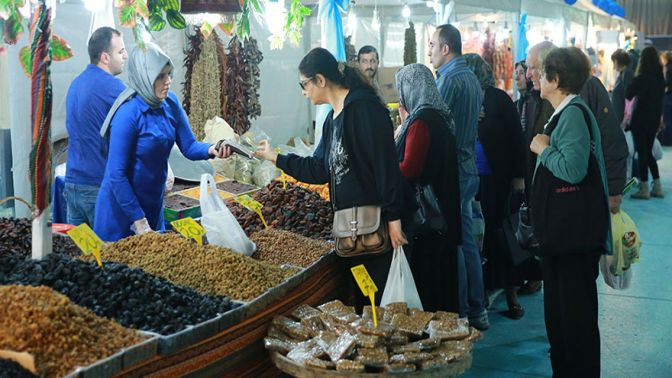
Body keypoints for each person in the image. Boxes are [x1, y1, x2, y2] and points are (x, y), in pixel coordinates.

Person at [255, 47, 411, 308]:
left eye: (304, 84)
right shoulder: (332, 119)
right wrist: (277, 158)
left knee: (385, 302)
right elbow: (318, 169)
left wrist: (394, 218)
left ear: (320, 80)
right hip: (351, 231)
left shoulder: (364, 110)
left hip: (377, 226)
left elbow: (385, 166)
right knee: (366, 300)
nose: (303, 92)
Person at [93, 42, 228, 242]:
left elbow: (189, 146)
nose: (168, 81)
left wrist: (212, 148)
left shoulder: (170, 103)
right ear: (144, 77)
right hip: (121, 211)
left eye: (169, 74)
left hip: (153, 204)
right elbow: (116, 175)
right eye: (160, 76)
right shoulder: (128, 115)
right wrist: (138, 220)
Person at [529, 47, 611, 377]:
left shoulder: (573, 114)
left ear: (556, 78)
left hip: (573, 239)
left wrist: (544, 149)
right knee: (562, 318)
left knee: (574, 320)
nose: (534, 76)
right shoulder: (563, 112)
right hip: (565, 238)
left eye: (541, 71)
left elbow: (574, 169)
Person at [428, 24, 488, 330]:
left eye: (432, 45)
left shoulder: (450, 79)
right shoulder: (472, 79)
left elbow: (433, 124)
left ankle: (464, 312)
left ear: (445, 48)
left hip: (456, 174)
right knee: (467, 244)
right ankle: (477, 310)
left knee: (459, 245)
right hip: (469, 168)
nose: (429, 51)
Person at [463, 53, 527, 320]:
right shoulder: (465, 100)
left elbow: (517, 140)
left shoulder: (499, 99)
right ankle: (483, 292)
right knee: (479, 239)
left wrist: (519, 176)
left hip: (496, 180)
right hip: (472, 181)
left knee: (500, 235)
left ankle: (511, 295)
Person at [394, 63, 461, 313]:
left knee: (430, 284)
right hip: (443, 211)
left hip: (428, 220)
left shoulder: (421, 121)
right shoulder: (439, 115)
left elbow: (409, 169)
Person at [64, 27, 127, 227]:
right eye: (120, 51)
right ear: (105, 57)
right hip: (96, 186)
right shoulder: (114, 88)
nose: (125, 56)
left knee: (78, 255)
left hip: (72, 183)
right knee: (106, 254)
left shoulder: (75, 83)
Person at [627, 46, 666, 199]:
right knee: (648, 152)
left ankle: (644, 189)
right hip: (654, 119)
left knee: (642, 152)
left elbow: (628, 94)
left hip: (640, 119)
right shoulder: (660, 80)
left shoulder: (640, 78)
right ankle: (657, 186)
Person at [611, 49, 634, 126]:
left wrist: (625, 118)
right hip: (619, 118)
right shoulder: (622, 74)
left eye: (613, 62)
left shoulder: (627, 74)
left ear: (617, 61)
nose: (613, 66)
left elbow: (629, 98)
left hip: (622, 120)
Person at [660, 51, 672, 145]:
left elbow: (667, 82)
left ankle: (668, 141)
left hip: (669, 96)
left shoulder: (668, 68)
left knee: (667, 120)